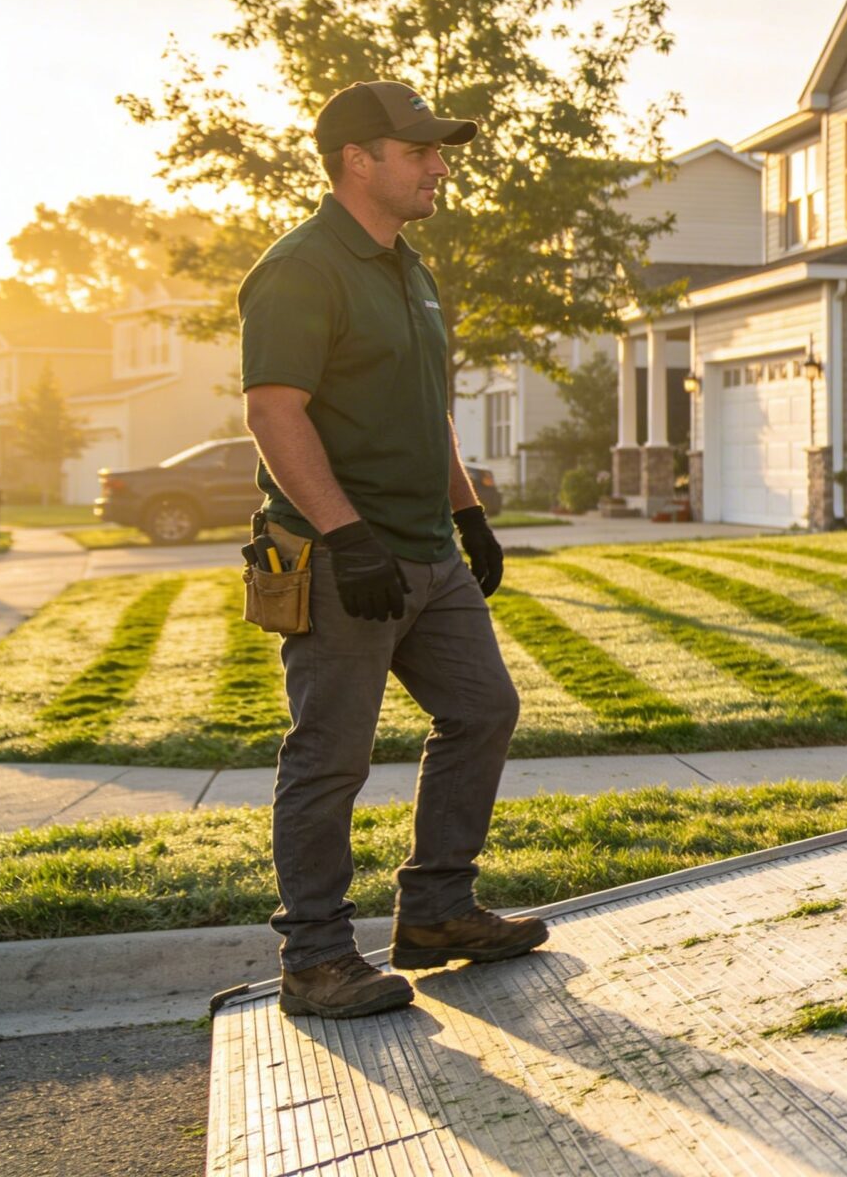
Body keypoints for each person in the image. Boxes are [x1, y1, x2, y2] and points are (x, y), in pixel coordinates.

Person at [240, 80, 544, 1020]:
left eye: (438, 151)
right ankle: (317, 960)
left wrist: (468, 513)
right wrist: (345, 535)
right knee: (330, 755)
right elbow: (272, 411)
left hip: (424, 552)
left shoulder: (410, 270)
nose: (440, 167)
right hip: (341, 559)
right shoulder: (300, 268)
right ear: (356, 162)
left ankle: (440, 910)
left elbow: (428, 411)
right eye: (419, 153)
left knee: (484, 709)